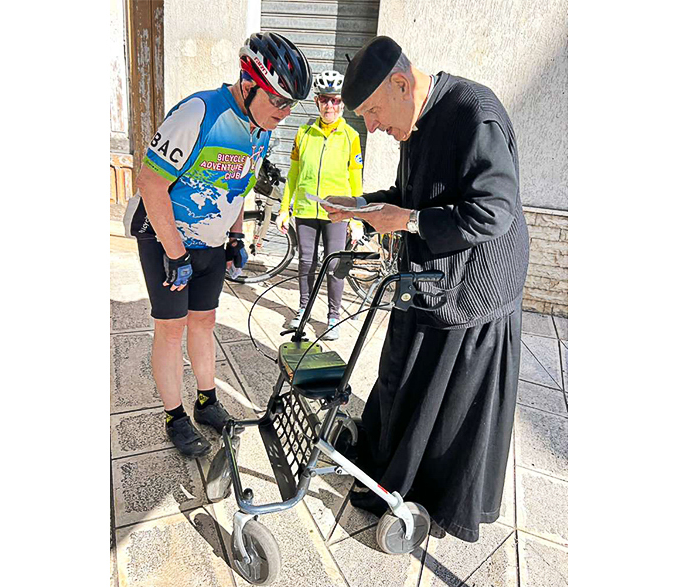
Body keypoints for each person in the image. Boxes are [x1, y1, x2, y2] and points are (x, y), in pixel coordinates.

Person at [321, 36, 530, 543]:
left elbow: (494, 211)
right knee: (400, 376)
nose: (372, 127)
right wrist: (363, 206)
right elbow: (408, 197)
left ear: (401, 83)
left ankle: (426, 498)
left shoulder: (474, 114)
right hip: (427, 280)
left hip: (473, 290)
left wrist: (408, 220)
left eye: (373, 113)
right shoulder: (413, 121)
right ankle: (385, 470)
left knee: (441, 401)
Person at [123, 32, 311, 456]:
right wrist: (175, 254)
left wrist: (236, 235)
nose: (284, 113)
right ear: (248, 85)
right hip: (164, 236)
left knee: (205, 321)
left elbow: (238, 185)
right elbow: (150, 183)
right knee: (171, 328)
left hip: (208, 240)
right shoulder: (200, 112)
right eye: (278, 101)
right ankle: (174, 416)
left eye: (290, 105)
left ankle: (206, 401)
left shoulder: (260, 128)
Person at [276, 69, 365, 341]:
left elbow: (355, 181)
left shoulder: (351, 136)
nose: (330, 106)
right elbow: (293, 174)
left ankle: (333, 316)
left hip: (337, 213)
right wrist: (284, 209)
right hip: (305, 210)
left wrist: (356, 219)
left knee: (335, 263)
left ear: (342, 103)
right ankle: (304, 309)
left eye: (335, 100)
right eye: (325, 100)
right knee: (306, 262)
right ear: (317, 101)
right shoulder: (303, 133)